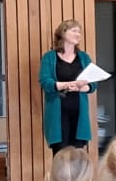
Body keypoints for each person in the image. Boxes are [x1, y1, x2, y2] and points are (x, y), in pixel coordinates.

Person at [39, 20, 98, 152]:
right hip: (58, 115)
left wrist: (81, 87)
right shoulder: (49, 57)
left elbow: (93, 84)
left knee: (78, 154)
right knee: (60, 153)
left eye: (79, 32)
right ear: (63, 33)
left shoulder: (84, 57)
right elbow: (45, 82)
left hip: (79, 114)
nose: (78, 34)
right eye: (74, 31)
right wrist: (66, 84)